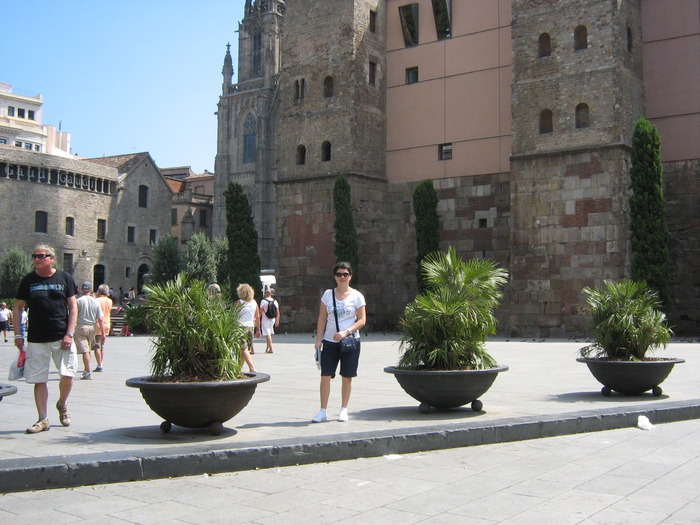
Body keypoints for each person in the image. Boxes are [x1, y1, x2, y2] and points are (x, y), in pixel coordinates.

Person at [13, 244, 78, 434]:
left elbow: (73, 307)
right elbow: (18, 307)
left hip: (61, 335)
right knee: (39, 379)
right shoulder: (28, 280)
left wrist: (70, 333)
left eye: (41, 256)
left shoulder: (64, 278)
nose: (36, 259)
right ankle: (43, 419)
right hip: (37, 337)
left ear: (51, 258)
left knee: (68, 374)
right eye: (34, 256)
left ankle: (62, 403)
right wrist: (18, 334)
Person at [313, 262, 366, 423]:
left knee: (347, 376)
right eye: (339, 274)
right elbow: (322, 318)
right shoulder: (328, 295)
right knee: (325, 375)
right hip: (329, 342)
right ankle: (323, 410)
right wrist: (318, 340)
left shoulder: (357, 296)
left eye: (345, 274)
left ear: (350, 276)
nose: (342, 277)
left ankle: (344, 409)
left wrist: (346, 331)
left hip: (350, 341)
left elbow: (362, 320)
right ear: (334, 277)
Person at [74, 282, 105, 380]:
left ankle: (87, 372)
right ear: (91, 290)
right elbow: (100, 319)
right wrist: (103, 334)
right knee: (88, 349)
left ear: (81, 290)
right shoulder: (96, 302)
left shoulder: (78, 301)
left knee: (85, 351)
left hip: (81, 327)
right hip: (92, 327)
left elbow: (73, 315)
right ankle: (87, 369)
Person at [236, 283, 260, 373]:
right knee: (245, 350)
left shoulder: (239, 303)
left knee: (243, 349)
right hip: (250, 327)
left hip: (240, 327)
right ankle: (238, 369)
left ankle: (252, 367)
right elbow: (257, 316)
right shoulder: (254, 302)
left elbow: (232, 316)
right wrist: (258, 329)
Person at [93, 284, 113, 371]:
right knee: (102, 346)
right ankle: (101, 362)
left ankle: (99, 364)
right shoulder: (110, 301)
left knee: (97, 346)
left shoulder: (96, 300)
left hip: (98, 324)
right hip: (107, 324)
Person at [260, 288, 280, 353]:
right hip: (272, 319)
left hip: (265, 320)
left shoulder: (263, 301)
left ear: (267, 293)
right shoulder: (275, 301)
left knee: (267, 334)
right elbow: (278, 312)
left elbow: (260, 312)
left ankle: (271, 348)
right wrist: (277, 320)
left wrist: (257, 319)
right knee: (269, 333)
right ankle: (267, 348)